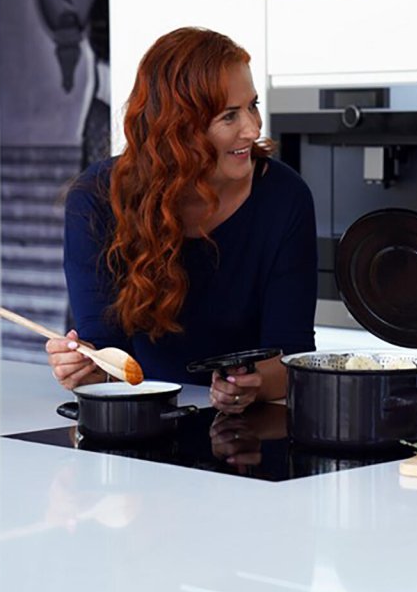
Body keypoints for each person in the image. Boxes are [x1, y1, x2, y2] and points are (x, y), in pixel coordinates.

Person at [45, 27, 318, 413]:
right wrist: (82, 367)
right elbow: (107, 357)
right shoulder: (96, 199)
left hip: (243, 427)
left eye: (252, 105)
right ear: (177, 128)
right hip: (142, 418)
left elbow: (293, 357)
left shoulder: (285, 197)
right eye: (229, 116)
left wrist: (252, 385)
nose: (253, 129)